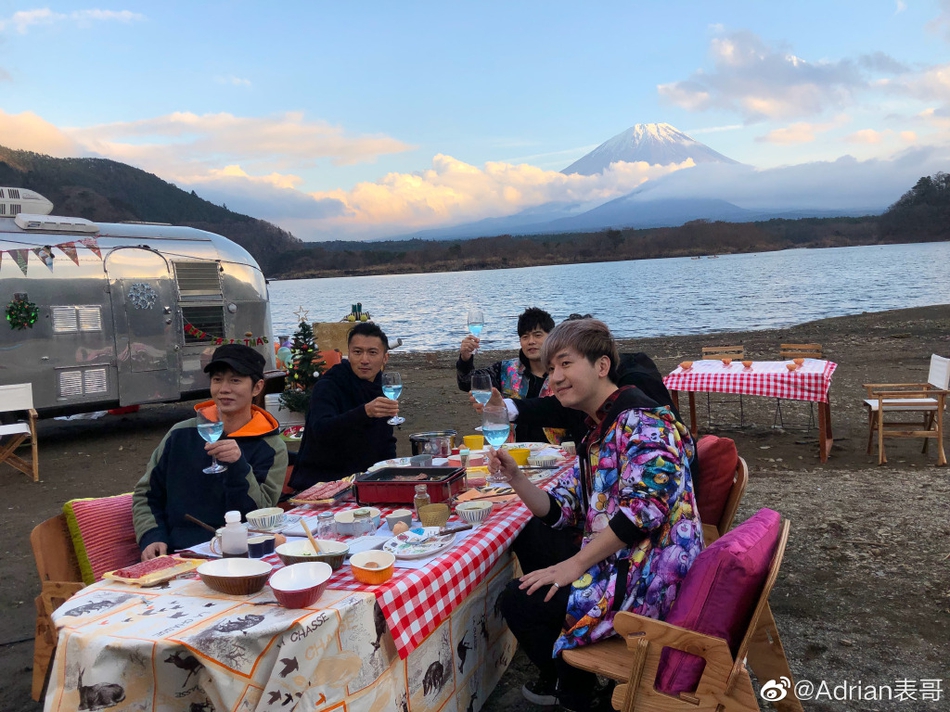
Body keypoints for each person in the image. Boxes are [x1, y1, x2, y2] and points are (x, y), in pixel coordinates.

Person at [487, 319, 702, 711]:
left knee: (522, 601)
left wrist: (576, 564)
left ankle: (575, 693)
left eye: (565, 364)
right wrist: (515, 476)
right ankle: (576, 685)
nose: (554, 378)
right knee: (534, 548)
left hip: (652, 573)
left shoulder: (645, 420)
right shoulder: (600, 428)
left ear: (602, 366)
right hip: (626, 560)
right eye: (551, 368)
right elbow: (560, 508)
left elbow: (645, 511)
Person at [132, 344, 287, 560]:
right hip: (179, 553)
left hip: (242, 555)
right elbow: (146, 494)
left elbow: (260, 514)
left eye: (235, 380)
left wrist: (238, 465)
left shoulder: (271, 446)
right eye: (217, 379)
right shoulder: (180, 434)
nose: (224, 389)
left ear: (257, 387)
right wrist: (151, 536)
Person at [287, 321, 398, 491]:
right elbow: (321, 431)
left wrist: (392, 475)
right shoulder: (329, 385)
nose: (364, 360)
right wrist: (364, 412)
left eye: (372, 353)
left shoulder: (381, 386)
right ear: (349, 354)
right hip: (321, 483)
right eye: (357, 352)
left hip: (364, 480)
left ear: (385, 357)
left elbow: (385, 439)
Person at [457, 306, 558, 442]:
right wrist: (465, 359)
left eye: (537, 335)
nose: (531, 341)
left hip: (557, 453)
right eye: (525, 336)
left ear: (552, 337)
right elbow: (468, 382)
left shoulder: (562, 373)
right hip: (513, 451)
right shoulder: (506, 369)